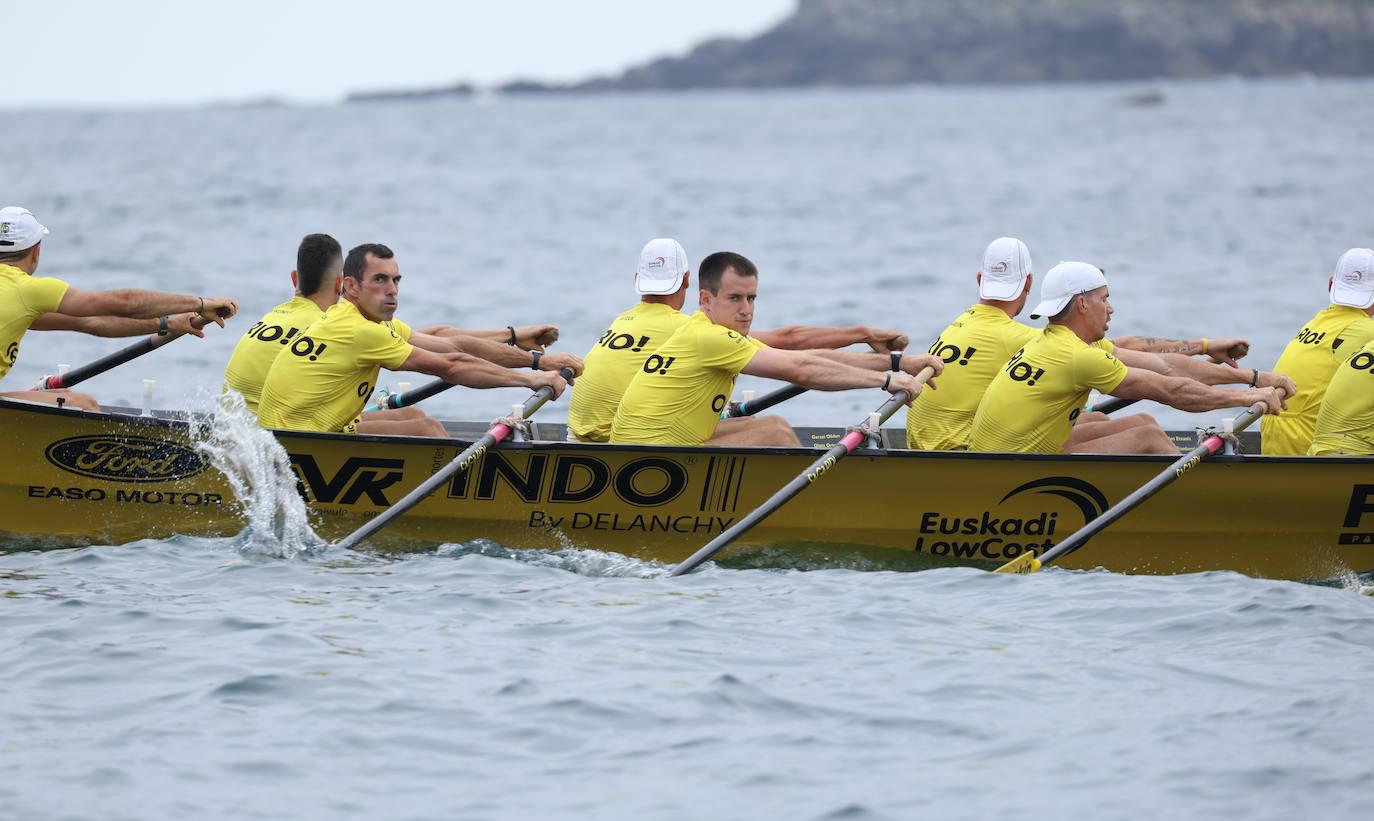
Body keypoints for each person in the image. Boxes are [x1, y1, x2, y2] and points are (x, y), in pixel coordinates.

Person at [908, 237, 1258, 451]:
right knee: (1143, 434)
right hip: (963, 451)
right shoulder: (1022, 339)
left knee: (1101, 424)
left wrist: (1204, 347)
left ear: (980, 280)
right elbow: (1126, 354)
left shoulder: (961, 323)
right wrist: (1214, 354)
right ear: (1029, 282)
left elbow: (1114, 352)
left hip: (939, 444)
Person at [569, 238, 912, 442]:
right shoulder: (695, 331)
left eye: (752, 299)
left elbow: (804, 359)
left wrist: (897, 363)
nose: (746, 310)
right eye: (735, 299)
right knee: (774, 434)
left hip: (601, 437)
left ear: (637, 280)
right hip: (629, 448)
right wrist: (884, 375)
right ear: (696, 290)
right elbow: (797, 357)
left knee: (762, 425)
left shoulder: (626, 320)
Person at [224, 233, 575, 415]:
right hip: (284, 441)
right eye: (380, 280)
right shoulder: (345, 324)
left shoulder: (322, 315)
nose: (392, 290)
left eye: (396, 280)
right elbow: (451, 363)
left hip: (266, 430)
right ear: (344, 287)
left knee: (418, 422)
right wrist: (532, 376)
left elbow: (442, 340)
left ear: (294, 278)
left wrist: (517, 342)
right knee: (422, 426)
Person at [968, 261, 1292, 455]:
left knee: (1142, 421)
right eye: (1104, 299)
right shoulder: (1079, 357)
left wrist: (1253, 378)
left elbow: (1166, 367)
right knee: (1146, 437)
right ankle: (1203, 508)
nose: (1111, 308)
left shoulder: (1058, 341)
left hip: (1011, 453)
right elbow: (1171, 391)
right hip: (1007, 468)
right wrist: (1248, 398)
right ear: (1082, 304)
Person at [0, 206, 236, 410]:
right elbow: (126, 303)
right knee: (83, 405)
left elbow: (88, 322)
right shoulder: (27, 289)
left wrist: (166, 323)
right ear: (36, 251)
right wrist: (200, 303)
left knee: (59, 398)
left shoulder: (19, 302)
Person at [1262, 248, 1374, 456]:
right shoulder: (1369, 333)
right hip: (1307, 446)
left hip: (1272, 440)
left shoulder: (1314, 323)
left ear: (1331, 284)